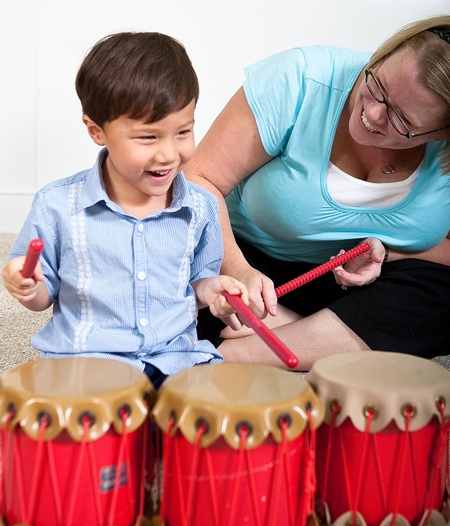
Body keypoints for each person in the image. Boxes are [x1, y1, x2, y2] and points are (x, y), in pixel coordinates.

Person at [185, 16, 450, 371]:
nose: (372, 114)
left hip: (342, 286)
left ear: (441, 134)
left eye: (402, 120)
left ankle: (245, 351)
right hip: (241, 264)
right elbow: (198, 177)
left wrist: (385, 253)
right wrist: (238, 270)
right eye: (378, 84)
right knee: (164, 289)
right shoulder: (302, 77)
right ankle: (316, 339)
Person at [2, 31, 249, 389]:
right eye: (148, 137)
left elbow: (195, 284)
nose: (168, 154)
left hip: (173, 358)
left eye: (183, 132)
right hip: (86, 361)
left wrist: (214, 290)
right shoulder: (56, 205)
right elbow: (41, 298)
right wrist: (27, 289)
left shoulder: (201, 206)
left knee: (215, 421)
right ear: (96, 131)